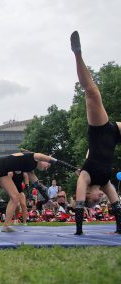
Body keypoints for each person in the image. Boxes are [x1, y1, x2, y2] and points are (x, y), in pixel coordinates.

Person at [70, 31, 121, 235]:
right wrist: (118, 230)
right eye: (99, 200)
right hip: (115, 134)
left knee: (91, 92)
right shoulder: (106, 182)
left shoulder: (85, 176)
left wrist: (79, 232)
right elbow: (116, 204)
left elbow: (79, 203)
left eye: (94, 200)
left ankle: (77, 54)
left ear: (89, 193)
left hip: (101, 130)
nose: (100, 199)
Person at [0, 151, 78, 231]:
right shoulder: (35, 156)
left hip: (4, 171)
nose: (46, 168)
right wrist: (73, 169)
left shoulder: (30, 170)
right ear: (44, 160)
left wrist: (49, 200)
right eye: (47, 165)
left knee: (15, 196)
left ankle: (6, 226)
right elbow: (53, 160)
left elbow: (38, 187)